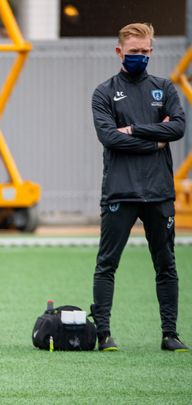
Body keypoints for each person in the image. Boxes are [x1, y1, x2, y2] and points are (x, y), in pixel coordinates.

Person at [90, 23, 187, 352]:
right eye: (134, 53)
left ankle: (170, 334)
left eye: (145, 52)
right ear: (120, 52)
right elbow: (109, 137)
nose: (140, 57)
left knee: (166, 263)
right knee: (107, 263)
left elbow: (177, 127)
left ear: (151, 51)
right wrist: (153, 140)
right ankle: (103, 335)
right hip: (120, 191)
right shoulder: (104, 92)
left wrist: (134, 130)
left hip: (159, 192)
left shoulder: (165, 87)